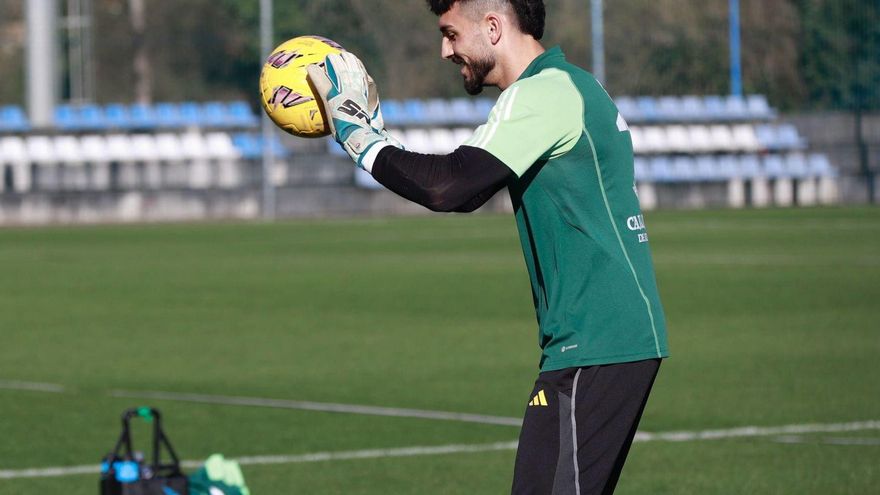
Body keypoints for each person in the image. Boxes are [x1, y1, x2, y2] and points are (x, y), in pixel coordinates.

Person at [307, 0, 669, 493]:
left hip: (597, 342)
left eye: (451, 34)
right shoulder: (567, 86)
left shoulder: (546, 92)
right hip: (597, 343)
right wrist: (373, 139)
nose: (443, 50)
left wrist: (357, 136)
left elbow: (449, 187)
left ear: (493, 27)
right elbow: (470, 192)